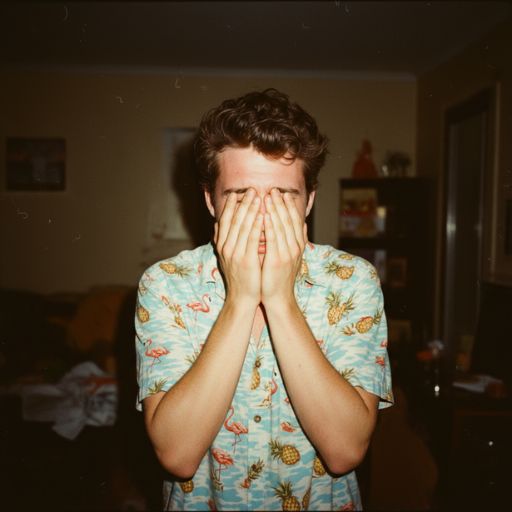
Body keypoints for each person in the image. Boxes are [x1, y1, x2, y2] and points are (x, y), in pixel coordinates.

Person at [135, 88, 393, 511]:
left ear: (309, 201)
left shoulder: (353, 282)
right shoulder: (165, 285)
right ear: (210, 200)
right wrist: (239, 301)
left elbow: (345, 451)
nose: (260, 219)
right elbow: (177, 456)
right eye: (240, 196)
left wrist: (279, 300)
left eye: (283, 196)